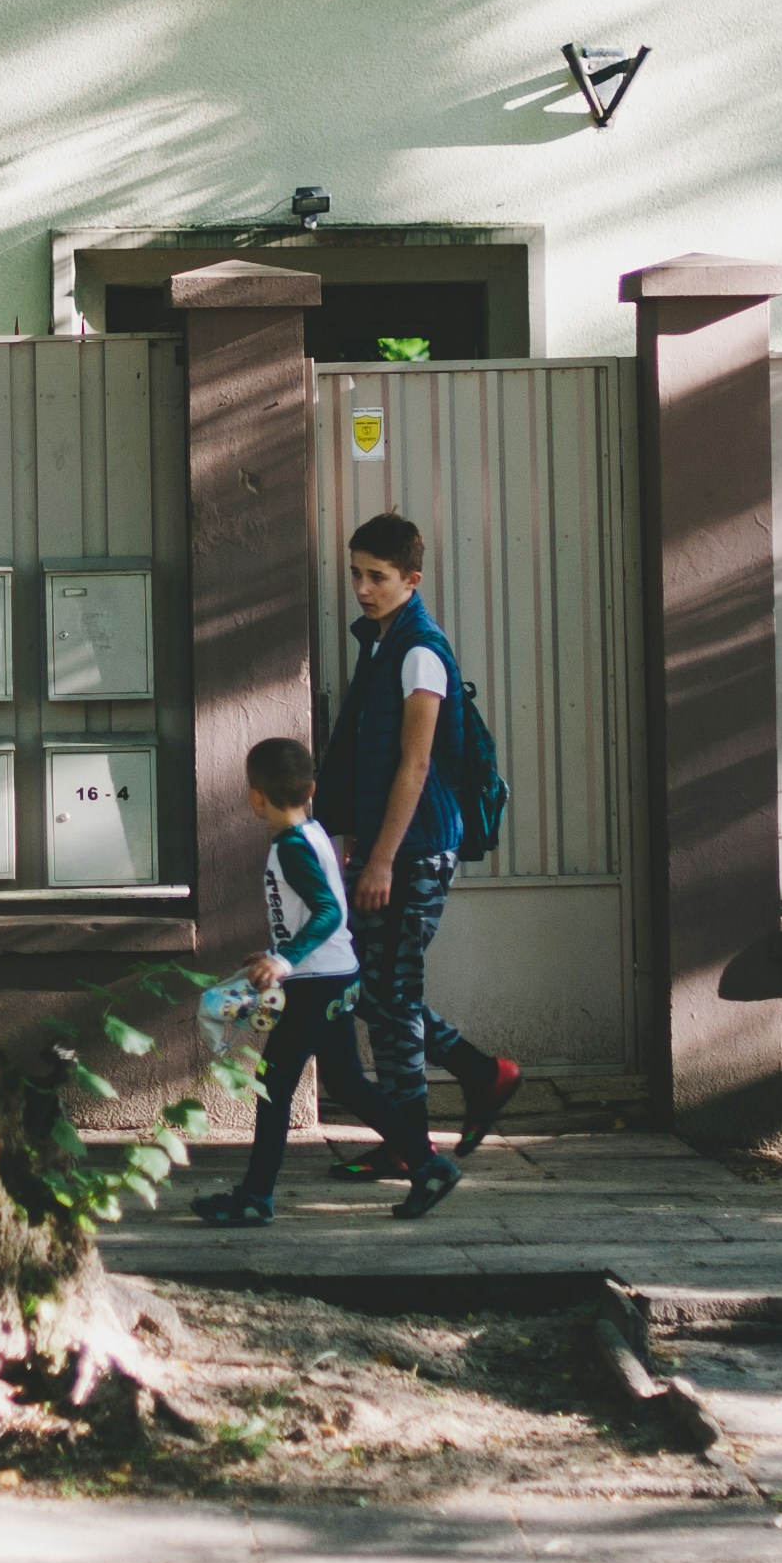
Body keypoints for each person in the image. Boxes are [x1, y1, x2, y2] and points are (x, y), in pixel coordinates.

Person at [319, 512, 524, 1180]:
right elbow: (369, 764)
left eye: (376, 577)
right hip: (389, 847)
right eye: (355, 573)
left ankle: (412, 1140)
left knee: (391, 995)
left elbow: (413, 765)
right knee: (378, 994)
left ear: (412, 579)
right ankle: (479, 1072)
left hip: (417, 850)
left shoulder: (419, 652)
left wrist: (380, 858)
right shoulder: (380, 646)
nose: (362, 588)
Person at [192, 738, 464, 1225]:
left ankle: (255, 1198)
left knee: (273, 1086)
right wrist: (278, 954)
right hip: (337, 975)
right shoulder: (314, 832)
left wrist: (285, 961)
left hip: (315, 983)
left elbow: (327, 911)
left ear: (254, 797)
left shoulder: (292, 847)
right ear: (311, 790)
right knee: (348, 1081)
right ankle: (428, 1166)